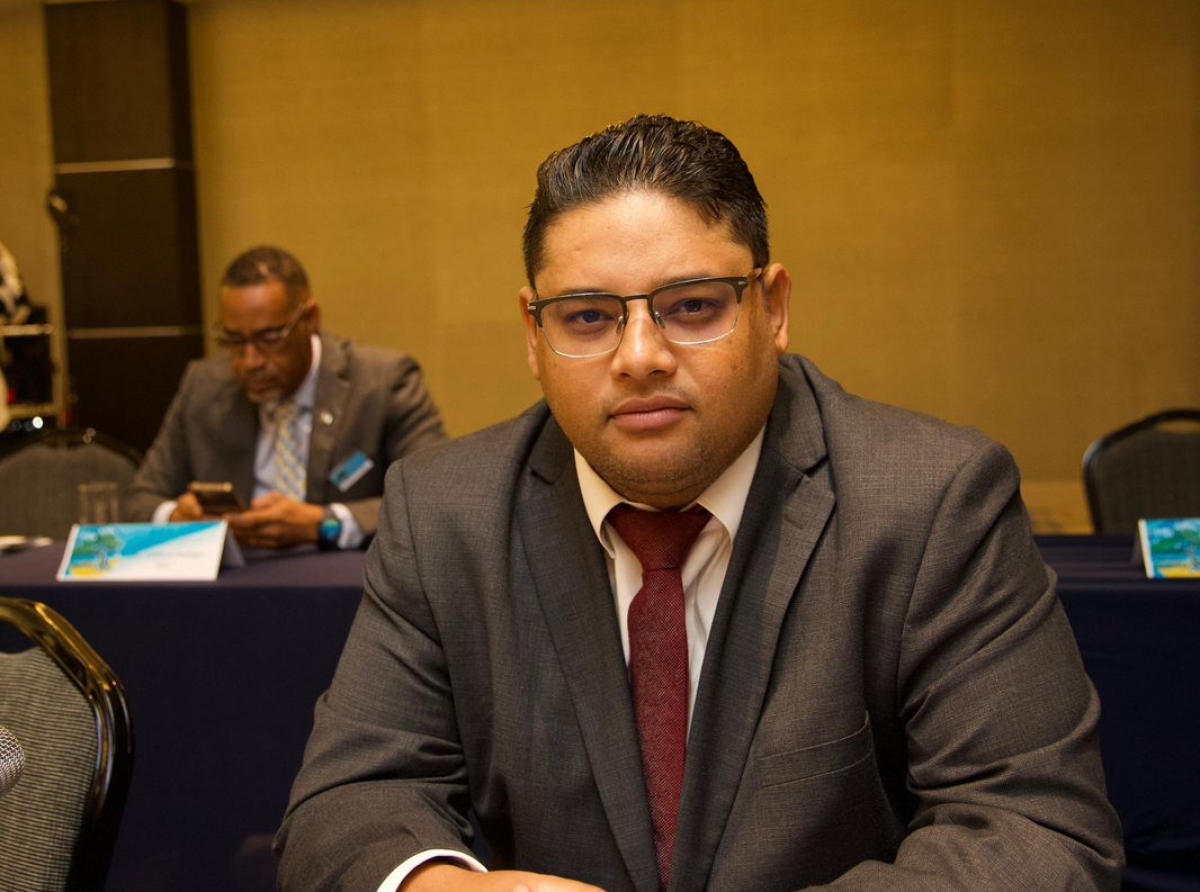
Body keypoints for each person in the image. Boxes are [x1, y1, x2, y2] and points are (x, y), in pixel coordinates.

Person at [275, 116, 1123, 890]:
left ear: (773, 308)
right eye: (587, 317)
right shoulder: (443, 512)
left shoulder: (933, 500)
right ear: (534, 336)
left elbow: (1036, 830)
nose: (640, 356)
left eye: (690, 307)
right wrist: (440, 887)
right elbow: (344, 806)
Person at [125, 245, 447, 550]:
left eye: (269, 338)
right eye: (234, 340)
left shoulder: (383, 384)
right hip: (236, 579)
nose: (250, 361)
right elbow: (141, 499)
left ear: (310, 319)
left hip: (343, 581)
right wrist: (175, 517)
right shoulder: (205, 386)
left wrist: (325, 523)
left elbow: (433, 500)